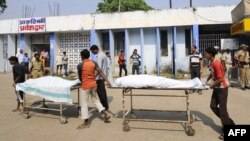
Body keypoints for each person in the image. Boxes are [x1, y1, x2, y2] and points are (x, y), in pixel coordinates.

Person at [204, 47, 235, 140]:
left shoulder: (217, 63)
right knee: (212, 106)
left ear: (210, 54)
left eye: (206, 54)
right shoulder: (212, 62)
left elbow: (221, 78)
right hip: (217, 88)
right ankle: (229, 123)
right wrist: (207, 80)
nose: (205, 55)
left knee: (222, 110)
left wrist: (212, 85)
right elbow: (213, 73)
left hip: (222, 88)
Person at [77, 49, 111, 129]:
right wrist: (107, 80)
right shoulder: (93, 63)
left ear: (82, 56)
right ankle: (105, 113)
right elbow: (100, 72)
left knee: (84, 104)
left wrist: (83, 82)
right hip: (94, 85)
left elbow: (80, 76)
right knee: (96, 100)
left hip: (85, 86)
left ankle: (86, 123)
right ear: (89, 55)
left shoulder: (80, 65)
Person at [90, 45, 109, 110]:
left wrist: (93, 77)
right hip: (101, 76)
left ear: (95, 49)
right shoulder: (101, 54)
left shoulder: (100, 56)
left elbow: (99, 69)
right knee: (100, 92)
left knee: (101, 93)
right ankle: (103, 106)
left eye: (92, 51)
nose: (92, 53)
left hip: (100, 77)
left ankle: (104, 107)